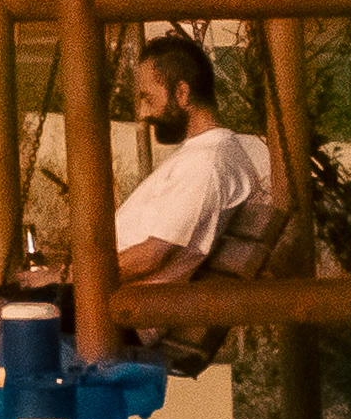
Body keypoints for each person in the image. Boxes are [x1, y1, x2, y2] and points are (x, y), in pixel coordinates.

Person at [109, 34, 276, 297]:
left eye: (148, 99)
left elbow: (153, 255)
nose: (143, 114)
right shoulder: (203, 152)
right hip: (112, 292)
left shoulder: (208, 162)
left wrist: (71, 276)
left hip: (124, 304)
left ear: (181, 93)